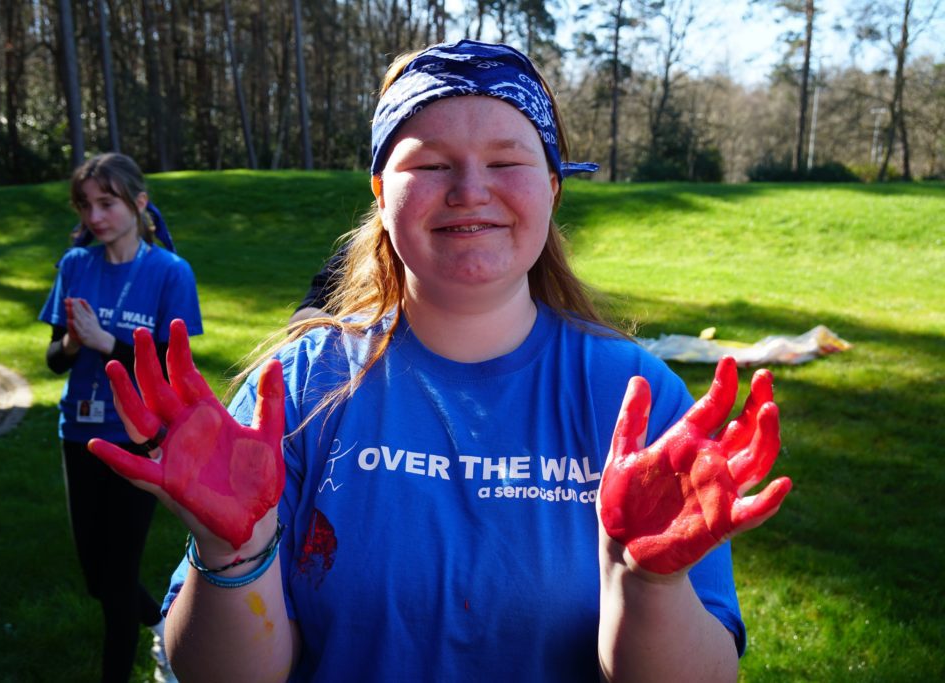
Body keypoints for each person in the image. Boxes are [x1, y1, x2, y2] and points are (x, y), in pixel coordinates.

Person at [88, 40, 792, 682]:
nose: (469, 189)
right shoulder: (300, 391)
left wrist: (650, 583)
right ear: (380, 193)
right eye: (430, 164)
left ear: (551, 184)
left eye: (506, 161)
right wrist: (230, 554)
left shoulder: (635, 403)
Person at [39, 152, 203, 683]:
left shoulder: (169, 272)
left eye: (107, 203)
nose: (95, 216)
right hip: (79, 431)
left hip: (139, 437)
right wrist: (70, 341)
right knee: (96, 575)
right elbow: (53, 359)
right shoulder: (74, 267)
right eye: (85, 206)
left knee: (118, 575)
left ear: (139, 203)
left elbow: (173, 368)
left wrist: (105, 342)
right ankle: (160, 621)